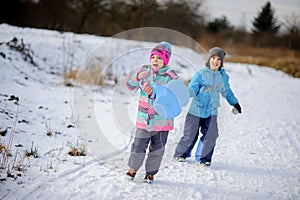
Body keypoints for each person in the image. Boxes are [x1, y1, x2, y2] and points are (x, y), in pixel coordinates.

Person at [174, 47, 241, 166]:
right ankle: (181, 154)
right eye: (213, 58)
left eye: (218, 59)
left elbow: (227, 91)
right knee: (190, 135)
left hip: (211, 112)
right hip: (196, 110)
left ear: (221, 62)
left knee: (211, 134)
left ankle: (204, 158)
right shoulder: (201, 74)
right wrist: (186, 94)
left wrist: (234, 103)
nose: (215, 61)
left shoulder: (223, 77)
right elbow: (193, 88)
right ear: (209, 59)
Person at [124, 41, 178, 183]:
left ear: (165, 60)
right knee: (138, 145)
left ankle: (151, 173)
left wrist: (155, 92)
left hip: (162, 122)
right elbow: (129, 86)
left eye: (160, 58)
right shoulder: (144, 72)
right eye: (153, 57)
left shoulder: (170, 76)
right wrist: (137, 77)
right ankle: (132, 169)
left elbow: (174, 95)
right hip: (144, 119)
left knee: (157, 149)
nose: (155, 60)